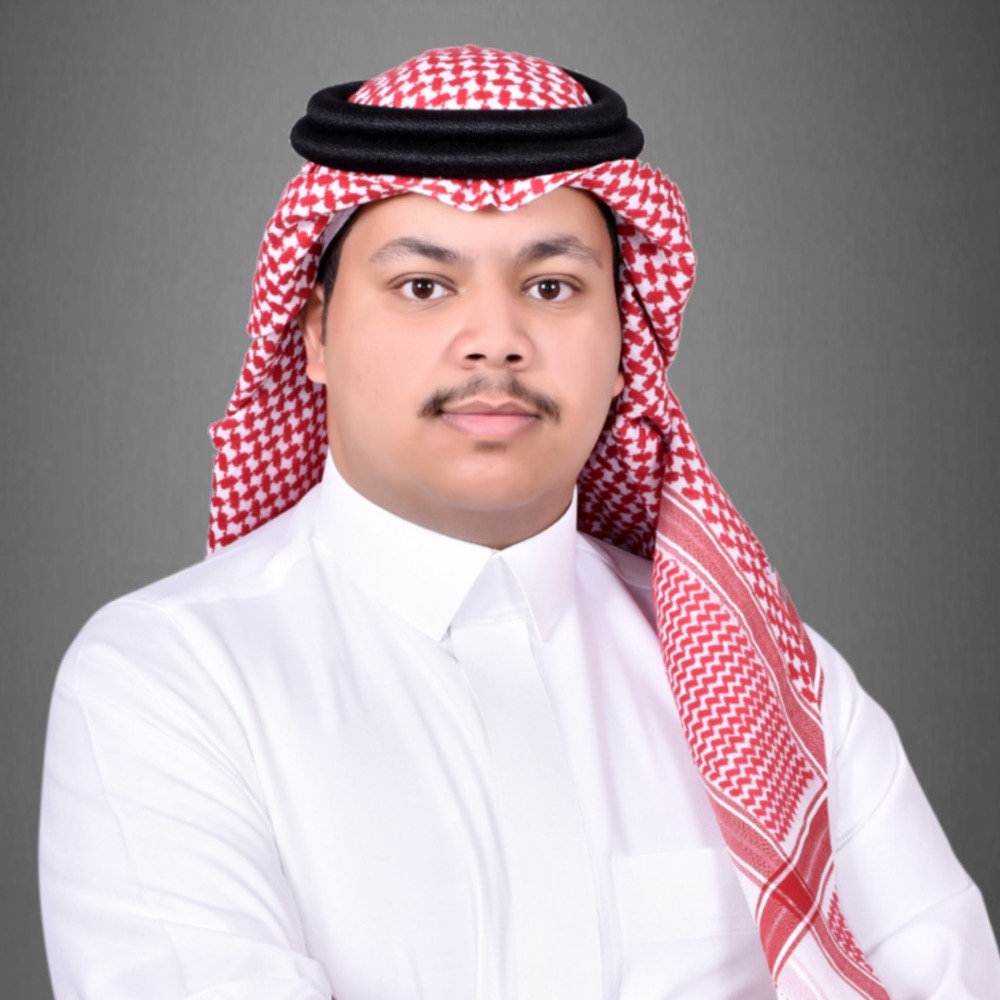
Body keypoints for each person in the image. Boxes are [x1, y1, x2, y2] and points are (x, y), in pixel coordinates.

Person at [38, 45, 999, 1000]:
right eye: (424, 286)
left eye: (551, 287)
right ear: (316, 333)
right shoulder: (168, 680)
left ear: (625, 344)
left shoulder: (777, 684)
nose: (496, 339)